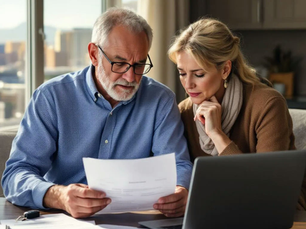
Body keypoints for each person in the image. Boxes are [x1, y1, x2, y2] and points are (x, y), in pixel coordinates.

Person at [2, 8, 193, 218]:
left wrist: (181, 190)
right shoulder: (52, 97)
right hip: (62, 220)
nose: (131, 77)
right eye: (119, 63)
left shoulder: (160, 100)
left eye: (139, 64)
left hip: (134, 221)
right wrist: (60, 196)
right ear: (94, 54)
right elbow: (15, 175)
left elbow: (178, 164)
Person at [168, 18, 306, 210]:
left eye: (198, 74)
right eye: (182, 73)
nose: (188, 84)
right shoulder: (184, 111)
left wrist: (217, 134)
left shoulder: (267, 104)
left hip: (277, 212)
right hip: (215, 210)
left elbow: (267, 189)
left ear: (225, 69)